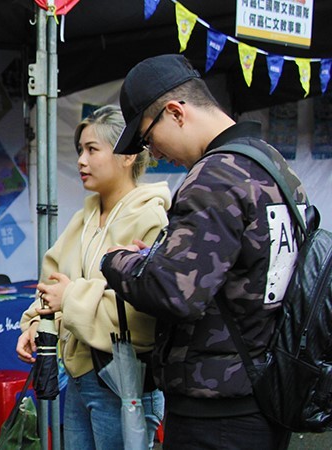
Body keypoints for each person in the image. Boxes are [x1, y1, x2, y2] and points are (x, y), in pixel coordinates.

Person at [100, 54, 305, 449]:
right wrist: (159, 259)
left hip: (216, 410)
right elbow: (237, 269)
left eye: (147, 139)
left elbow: (173, 292)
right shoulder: (272, 164)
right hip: (267, 387)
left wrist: (116, 260)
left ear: (175, 112)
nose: (154, 155)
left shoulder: (215, 176)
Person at [16, 105, 169, 449]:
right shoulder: (83, 219)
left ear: (127, 156)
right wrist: (34, 324)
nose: (81, 161)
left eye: (92, 150)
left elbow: (145, 310)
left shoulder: (151, 218)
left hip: (125, 382)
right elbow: (52, 285)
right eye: (79, 151)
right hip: (81, 377)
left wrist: (71, 297)